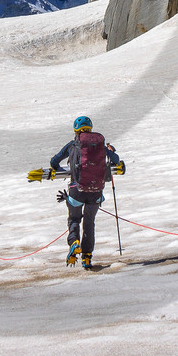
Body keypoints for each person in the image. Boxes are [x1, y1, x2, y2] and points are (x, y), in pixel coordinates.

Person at [47, 116, 124, 270]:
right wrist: (110, 153)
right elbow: (116, 160)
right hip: (96, 192)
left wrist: (56, 168)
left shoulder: (73, 144)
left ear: (76, 130)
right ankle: (87, 257)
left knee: (74, 219)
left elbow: (54, 162)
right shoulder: (99, 144)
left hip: (77, 190)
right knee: (89, 223)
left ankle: (74, 242)